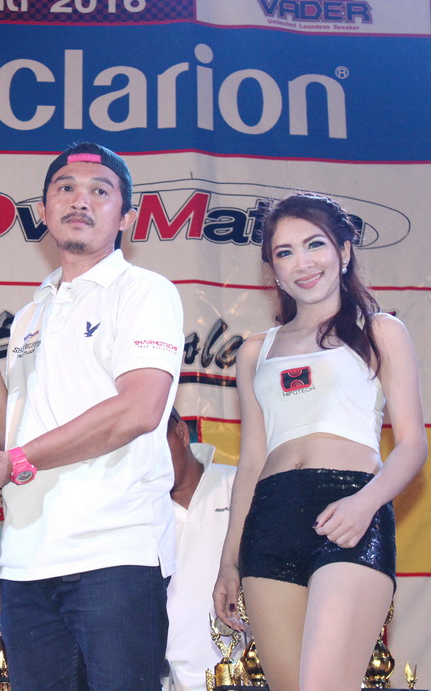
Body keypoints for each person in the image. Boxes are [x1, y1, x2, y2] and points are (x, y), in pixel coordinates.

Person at [0, 142, 184, 690]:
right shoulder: (33, 312)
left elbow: (140, 409)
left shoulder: (143, 292)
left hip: (115, 552)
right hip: (26, 559)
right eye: (65, 189)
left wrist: (18, 460)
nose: (80, 200)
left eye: (100, 191)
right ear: (44, 212)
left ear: (125, 218)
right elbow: (12, 435)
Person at [212, 193, 425, 691]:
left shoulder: (379, 331)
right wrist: (228, 561)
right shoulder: (256, 351)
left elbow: (413, 444)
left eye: (315, 244)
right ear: (273, 270)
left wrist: (366, 503)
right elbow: (251, 462)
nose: (302, 263)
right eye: (285, 252)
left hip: (349, 512)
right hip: (270, 522)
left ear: (344, 251)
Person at [163, 408, 235, 691]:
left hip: (247, 676)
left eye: (155, 446)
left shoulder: (238, 486)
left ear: (181, 433)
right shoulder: (134, 512)